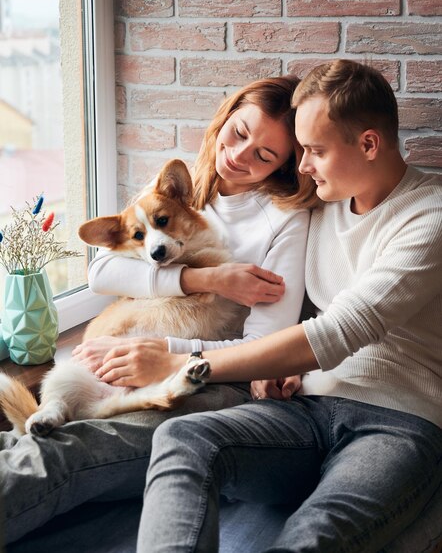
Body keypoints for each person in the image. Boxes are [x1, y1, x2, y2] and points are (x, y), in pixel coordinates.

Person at [99, 59, 441, 552]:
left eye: (315, 151)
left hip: (397, 420)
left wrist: (183, 361)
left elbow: (344, 329)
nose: (300, 167)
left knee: (313, 536)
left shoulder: (430, 216)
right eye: (300, 151)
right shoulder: (322, 205)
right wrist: (287, 365)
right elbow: (107, 269)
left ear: (368, 144)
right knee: (181, 440)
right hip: (304, 408)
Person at [1, 75, 318, 545]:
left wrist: (167, 353)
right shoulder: (177, 190)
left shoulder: (287, 221)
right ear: (224, 119)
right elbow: (103, 272)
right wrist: (202, 278)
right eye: (239, 132)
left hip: (212, 377)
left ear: (288, 163)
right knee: (32, 438)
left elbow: (264, 349)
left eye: (264, 154)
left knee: (65, 451)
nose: (239, 155)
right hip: (123, 358)